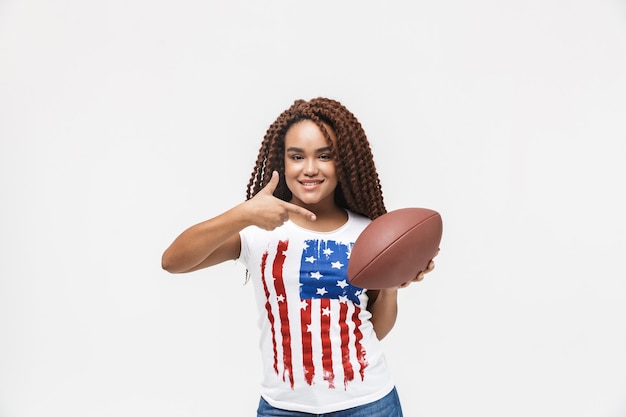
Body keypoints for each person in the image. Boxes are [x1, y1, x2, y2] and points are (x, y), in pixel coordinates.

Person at [161, 97, 436, 416]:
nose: (309, 168)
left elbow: (375, 329)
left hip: (368, 404)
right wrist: (243, 214)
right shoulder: (258, 230)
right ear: (282, 161)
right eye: (297, 156)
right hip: (282, 408)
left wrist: (391, 281)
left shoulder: (369, 234)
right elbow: (173, 261)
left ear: (342, 162)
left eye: (324, 156)